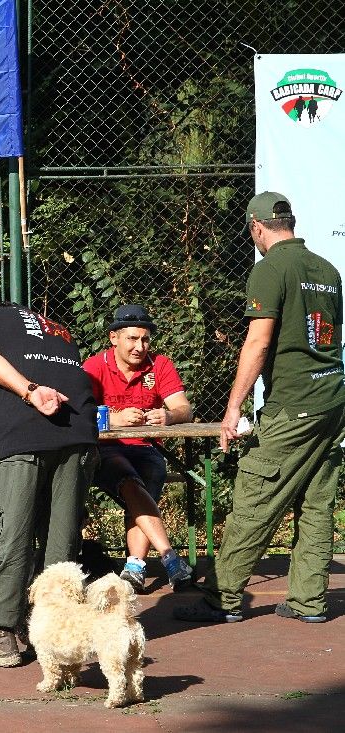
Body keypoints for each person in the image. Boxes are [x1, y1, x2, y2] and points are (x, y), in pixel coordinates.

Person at [176, 192, 345, 625]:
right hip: (332, 402)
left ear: (256, 227)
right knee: (316, 502)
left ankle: (222, 599)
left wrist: (233, 409)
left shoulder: (270, 269)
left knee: (255, 497)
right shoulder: (327, 270)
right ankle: (308, 601)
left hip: (293, 405)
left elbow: (258, 342)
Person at [0, 304, 98, 667]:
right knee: (61, 538)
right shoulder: (59, 329)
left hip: (23, 432)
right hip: (79, 433)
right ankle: (55, 635)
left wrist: (28, 389)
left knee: (9, 531)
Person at [82, 304, 194, 592]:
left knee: (146, 478)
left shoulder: (160, 365)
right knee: (131, 481)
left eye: (145, 340)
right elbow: (80, 413)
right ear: (114, 337)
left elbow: (184, 409)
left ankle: (134, 566)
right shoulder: (93, 367)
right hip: (107, 450)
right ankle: (169, 557)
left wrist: (169, 416)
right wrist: (114, 419)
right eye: (132, 339)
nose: (140, 347)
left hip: (148, 450)